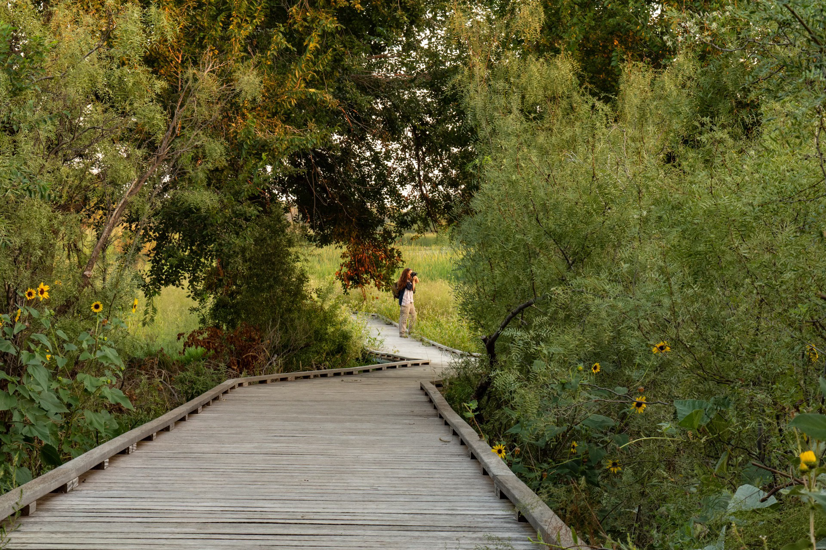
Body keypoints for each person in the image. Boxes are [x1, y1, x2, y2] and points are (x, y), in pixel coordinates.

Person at [396, 268, 419, 338]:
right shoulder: (404, 281)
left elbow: (417, 282)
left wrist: (415, 279)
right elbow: (411, 288)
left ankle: (411, 331)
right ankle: (402, 333)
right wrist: (413, 281)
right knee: (404, 317)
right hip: (405, 302)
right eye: (410, 273)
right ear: (406, 274)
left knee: (414, 316)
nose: (411, 275)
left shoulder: (409, 281)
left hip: (411, 301)